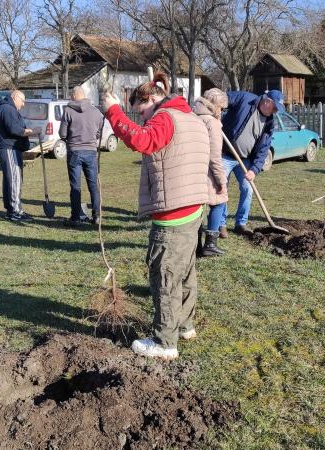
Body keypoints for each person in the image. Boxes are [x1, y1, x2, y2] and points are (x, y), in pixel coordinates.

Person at [103, 73, 210, 360]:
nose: (143, 118)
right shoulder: (192, 119)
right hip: (194, 210)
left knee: (163, 276)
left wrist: (113, 111)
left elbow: (142, 140)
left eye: (141, 110)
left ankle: (164, 342)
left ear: (152, 98)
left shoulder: (165, 118)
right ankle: (184, 325)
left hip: (173, 215)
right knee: (185, 272)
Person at [219, 90, 281, 236]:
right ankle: (221, 224)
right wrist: (216, 107)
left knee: (248, 189)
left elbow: (264, 149)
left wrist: (254, 169)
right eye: (275, 107)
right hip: (225, 154)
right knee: (222, 188)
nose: (276, 111)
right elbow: (224, 98)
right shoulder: (245, 99)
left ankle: (241, 223)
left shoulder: (269, 123)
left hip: (245, 159)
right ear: (267, 101)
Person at [59, 85, 102, 226]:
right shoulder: (96, 112)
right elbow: (98, 132)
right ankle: (97, 216)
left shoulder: (68, 111)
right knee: (93, 185)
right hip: (91, 151)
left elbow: (62, 134)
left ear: (73, 96)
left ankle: (76, 217)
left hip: (74, 151)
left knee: (75, 186)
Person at [193, 88, 229, 257]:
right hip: (206, 171)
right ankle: (210, 244)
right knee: (219, 201)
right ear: (215, 106)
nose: (221, 111)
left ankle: (195, 245)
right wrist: (222, 181)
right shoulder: (212, 123)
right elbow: (215, 156)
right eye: (221, 108)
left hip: (191, 170)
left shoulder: (192, 116)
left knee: (196, 208)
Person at [0, 90, 34, 222]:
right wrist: (27, 132)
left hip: (12, 147)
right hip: (8, 147)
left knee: (12, 178)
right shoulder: (7, 109)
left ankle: (13, 208)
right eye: (22, 101)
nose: (23, 104)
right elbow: (13, 129)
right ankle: (14, 211)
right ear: (14, 97)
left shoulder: (8, 109)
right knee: (14, 178)